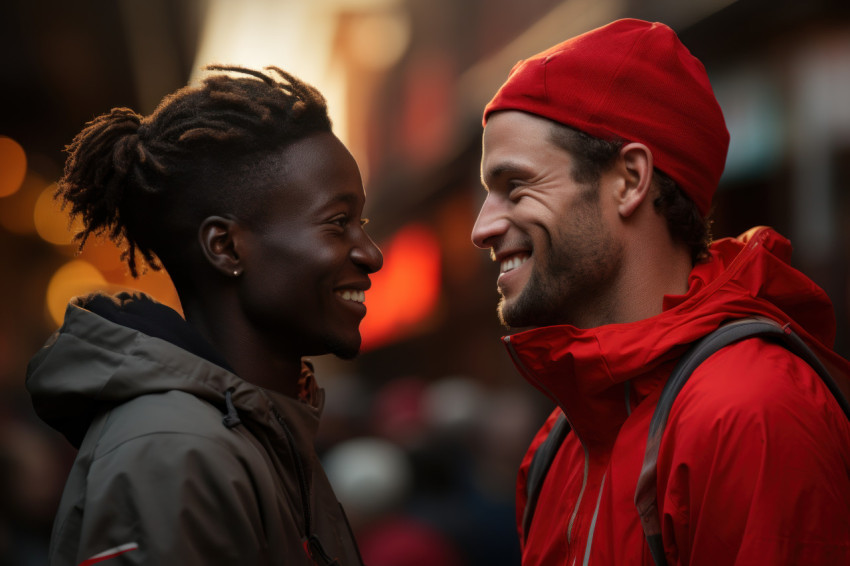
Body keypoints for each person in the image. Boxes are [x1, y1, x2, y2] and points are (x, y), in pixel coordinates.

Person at [471, 18, 850, 566]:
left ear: (629, 180)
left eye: (516, 187)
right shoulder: (560, 441)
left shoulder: (751, 413)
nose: (482, 228)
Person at [26, 65, 382, 565]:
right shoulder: (172, 453)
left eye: (360, 221)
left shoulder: (256, 432)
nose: (371, 254)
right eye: (338, 222)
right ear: (226, 248)